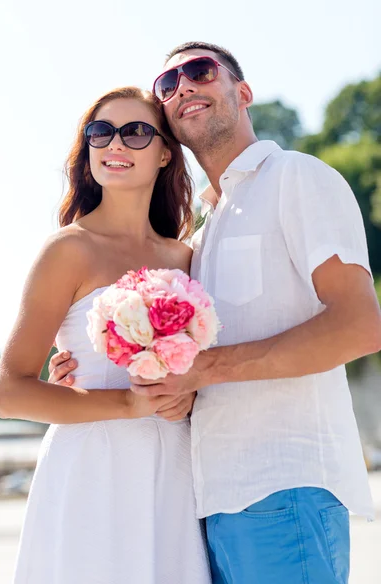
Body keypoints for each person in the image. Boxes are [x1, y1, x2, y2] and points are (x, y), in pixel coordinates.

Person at [51, 42, 381, 584]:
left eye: (200, 71)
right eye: (167, 83)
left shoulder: (295, 176)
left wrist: (206, 369)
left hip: (286, 489)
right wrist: (86, 366)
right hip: (207, 504)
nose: (183, 86)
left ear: (242, 92)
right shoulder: (200, 239)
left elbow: (360, 325)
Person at [0, 86, 212, 584]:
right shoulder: (68, 250)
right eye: (100, 132)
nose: (114, 144)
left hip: (173, 469)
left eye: (135, 132)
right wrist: (128, 405)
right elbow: (9, 392)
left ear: (164, 153)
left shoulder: (186, 259)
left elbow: (204, 367)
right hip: (89, 467)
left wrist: (191, 396)